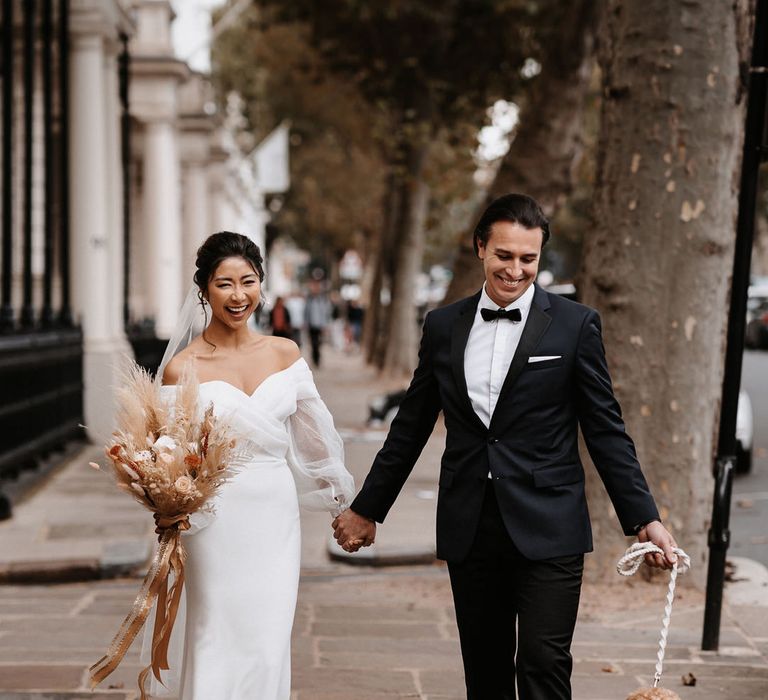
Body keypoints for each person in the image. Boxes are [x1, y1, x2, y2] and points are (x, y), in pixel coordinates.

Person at [332, 194, 677, 700]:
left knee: (543, 661)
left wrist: (645, 518)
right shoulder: (444, 326)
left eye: (528, 259)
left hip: (551, 523)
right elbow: (410, 426)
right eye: (504, 255)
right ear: (480, 249)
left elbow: (605, 430)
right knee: (486, 672)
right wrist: (367, 509)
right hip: (472, 526)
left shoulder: (575, 325)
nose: (515, 270)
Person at [156, 232, 354, 699]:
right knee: (214, 634)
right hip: (213, 520)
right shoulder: (180, 369)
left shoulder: (285, 353)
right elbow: (169, 457)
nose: (238, 295)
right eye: (225, 284)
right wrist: (165, 495)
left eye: (248, 281)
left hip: (274, 516)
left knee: (268, 643)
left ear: (261, 284)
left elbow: (315, 441)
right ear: (204, 289)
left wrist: (343, 506)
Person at [304, 278, 331, 368]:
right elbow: (306, 312)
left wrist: (325, 325)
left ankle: (318, 359)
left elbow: (326, 313)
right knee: (313, 343)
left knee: (318, 343)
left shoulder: (322, 299)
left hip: (320, 325)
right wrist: (306, 323)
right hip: (311, 325)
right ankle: (315, 359)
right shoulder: (309, 299)